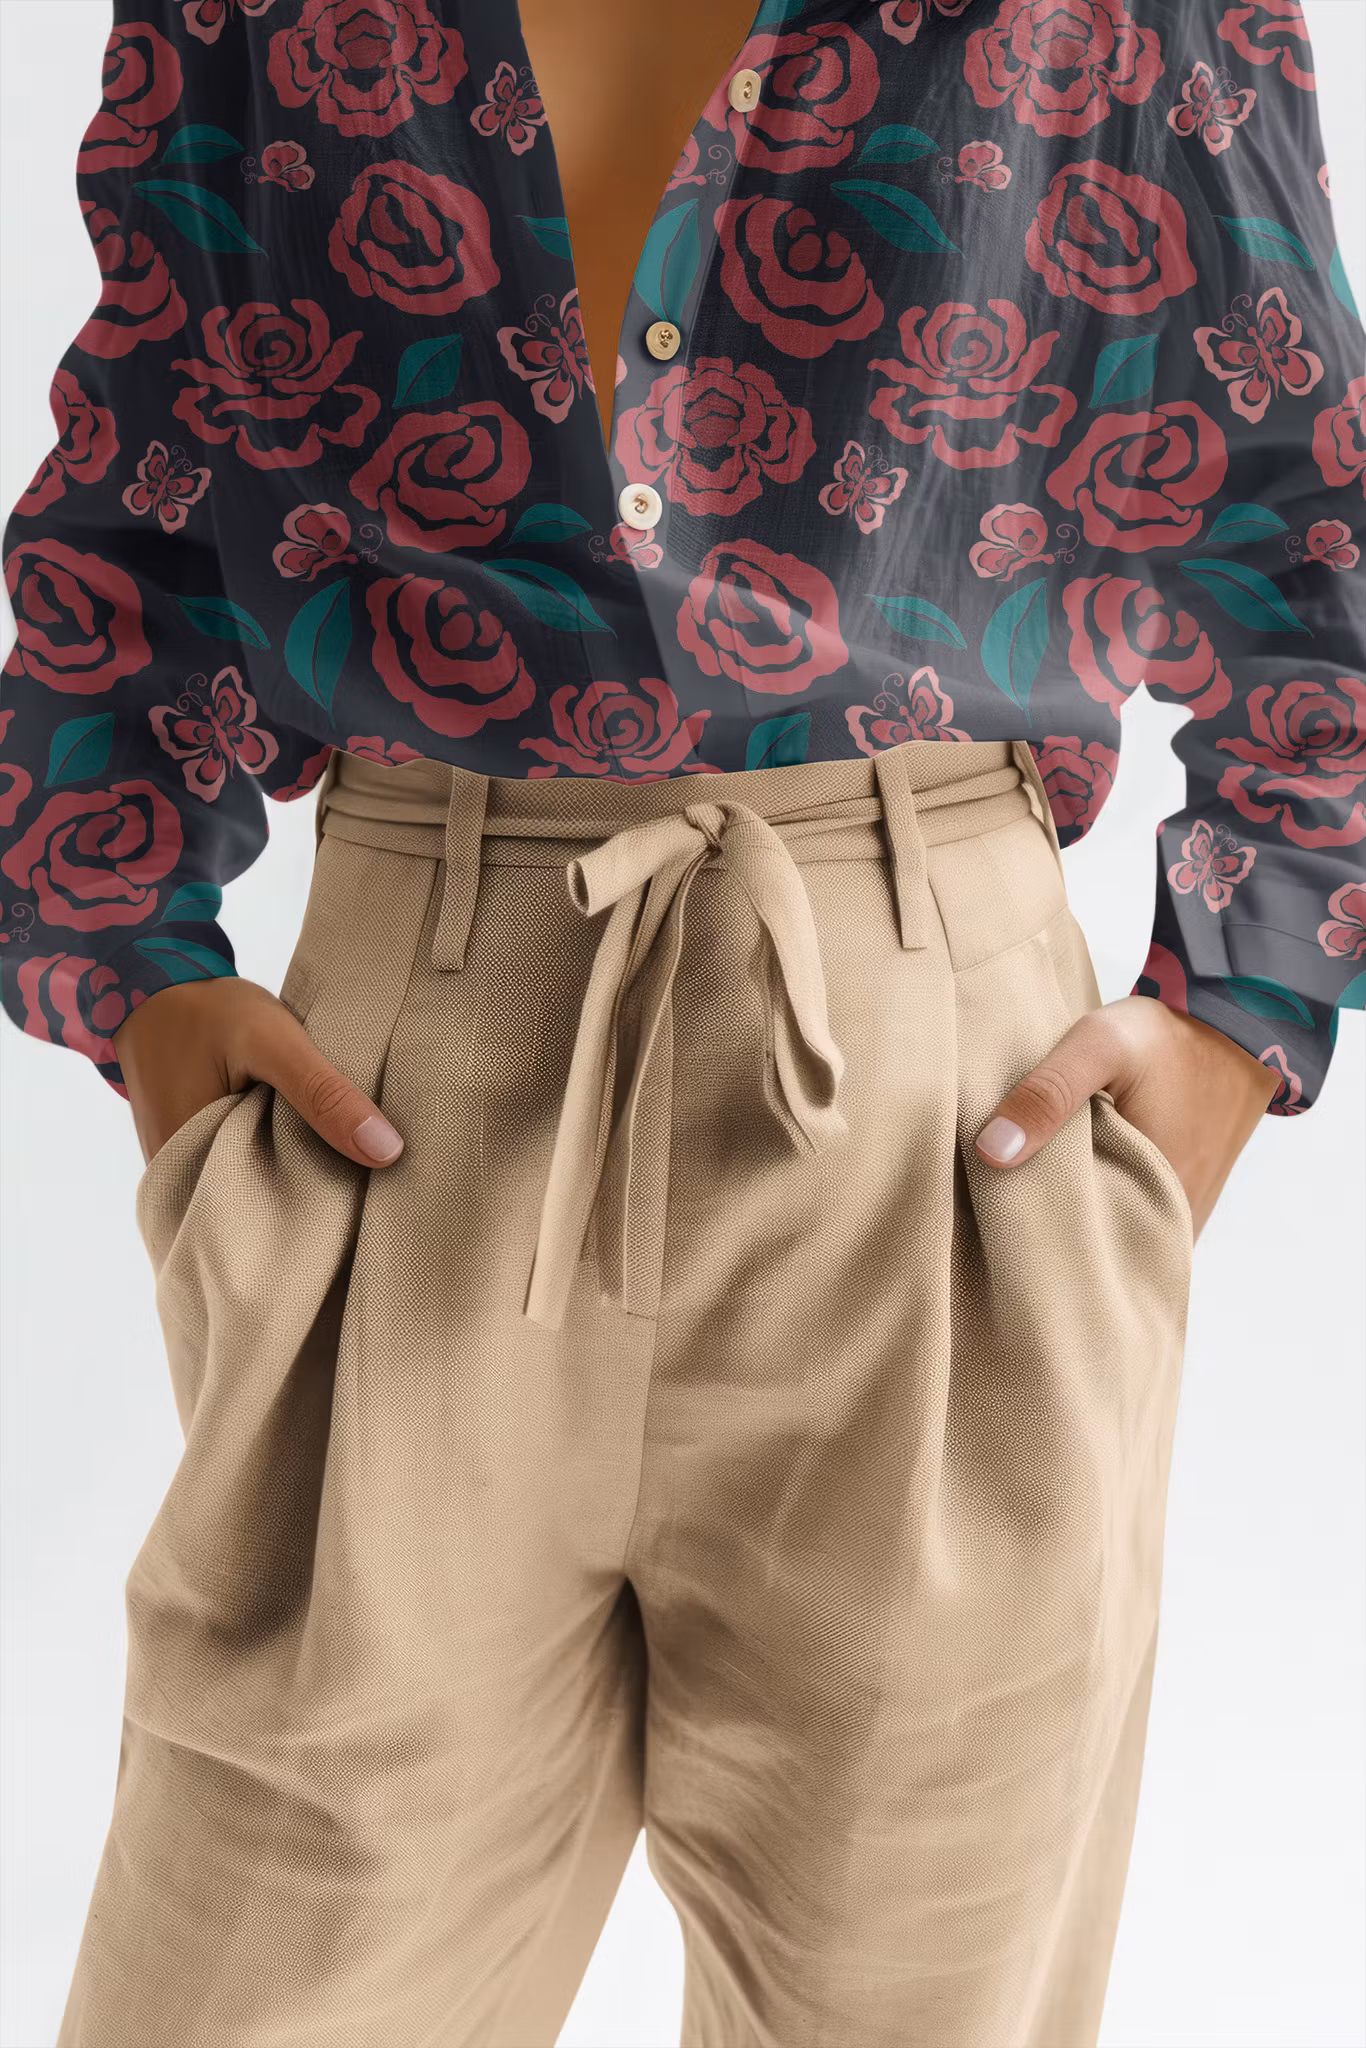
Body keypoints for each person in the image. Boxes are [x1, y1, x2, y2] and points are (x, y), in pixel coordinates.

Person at [2, 1, 1362, 2042]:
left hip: (936, 1109)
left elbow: (1304, 495)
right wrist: (141, 979)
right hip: (410, 1086)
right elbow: (144, 452)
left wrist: (1233, 1018)